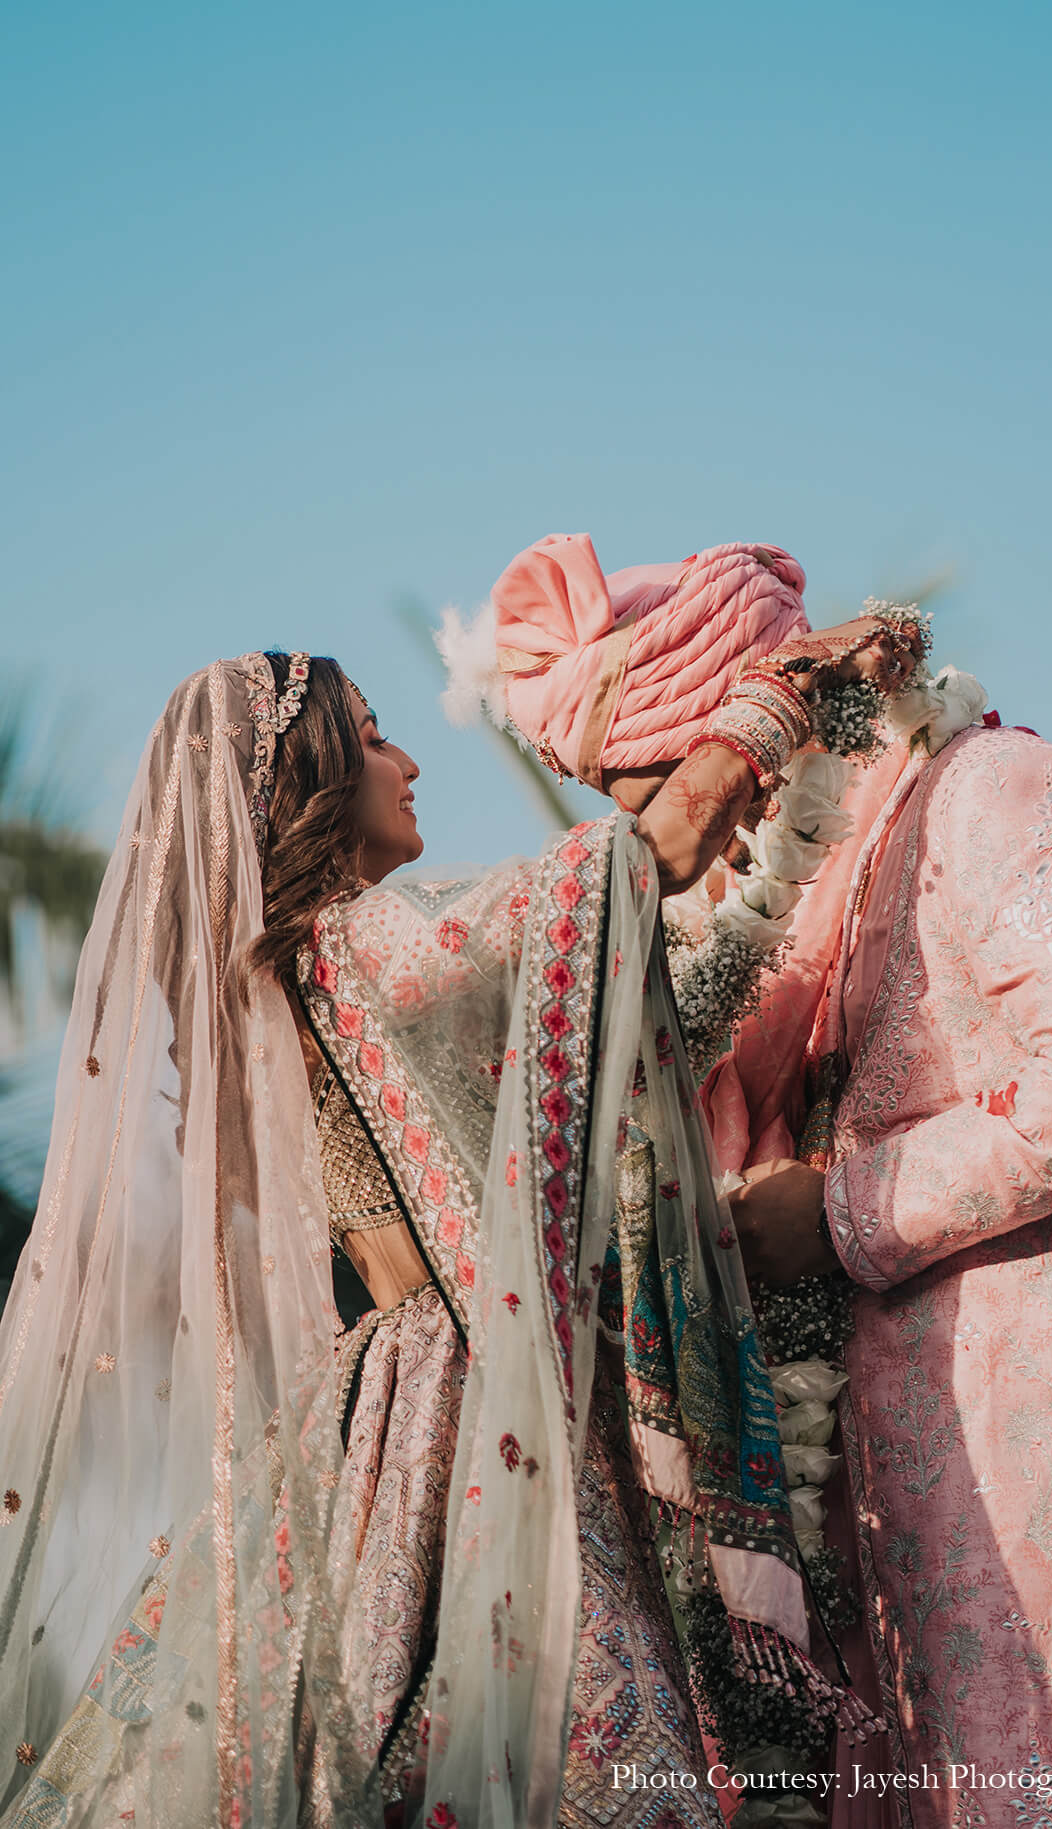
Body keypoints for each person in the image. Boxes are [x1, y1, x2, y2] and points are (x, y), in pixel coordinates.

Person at [0, 539, 919, 1829]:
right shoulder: (361, 939)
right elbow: (630, 865)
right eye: (373, 737)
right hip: (464, 1406)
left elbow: (593, 1042)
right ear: (309, 777)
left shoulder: (285, 985)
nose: (409, 758)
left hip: (369, 1415)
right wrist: (778, 698)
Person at [717, 688, 1052, 1825]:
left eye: (665, 785)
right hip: (914, 1512)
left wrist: (842, 1207)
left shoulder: (996, 790)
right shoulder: (824, 895)